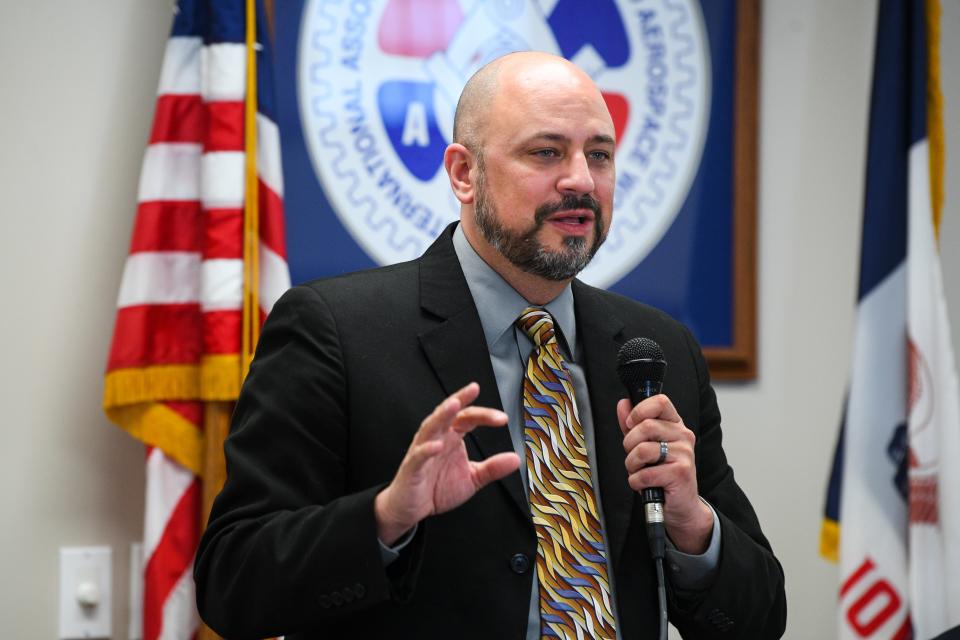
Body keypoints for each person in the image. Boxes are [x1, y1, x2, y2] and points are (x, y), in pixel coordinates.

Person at [195, 51, 786, 639]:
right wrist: (385, 518)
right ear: (463, 174)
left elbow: (760, 620)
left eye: (600, 155)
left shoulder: (656, 350)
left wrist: (693, 525)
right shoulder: (336, 330)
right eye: (546, 152)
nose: (581, 179)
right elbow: (232, 583)